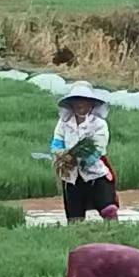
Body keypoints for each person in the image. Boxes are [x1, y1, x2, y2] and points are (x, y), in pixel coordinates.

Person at [50, 83, 118, 222]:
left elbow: (98, 148)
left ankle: (115, 233)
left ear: (91, 104)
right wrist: (62, 156)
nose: (80, 105)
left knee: (108, 210)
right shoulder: (64, 123)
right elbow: (57, 142)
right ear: (71, 104)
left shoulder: (99, 124)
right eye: (77, 101)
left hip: (95, 173)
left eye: (84, 101)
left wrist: (79, 159)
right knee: (75, 217)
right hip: (71, 176)